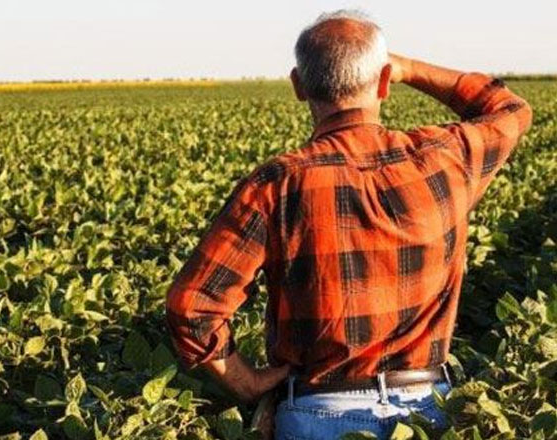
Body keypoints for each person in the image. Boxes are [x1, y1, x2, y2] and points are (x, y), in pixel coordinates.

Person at [164, 9, 532, 440]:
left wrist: (246, 382)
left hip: (315, 413)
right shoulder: (444, 157)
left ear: (299, 86)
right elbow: (509, 108)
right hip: (425, 411)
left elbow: (192, 307)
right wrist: (409, 70)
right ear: (383, 82)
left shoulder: (277, 183)